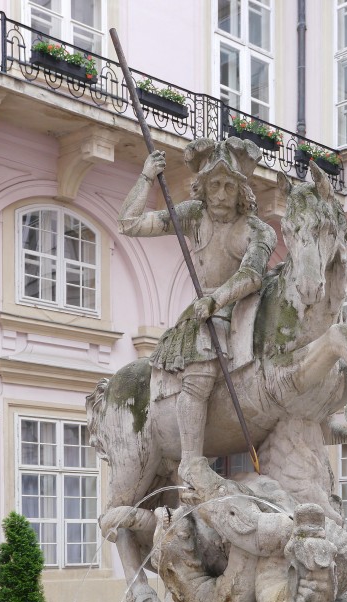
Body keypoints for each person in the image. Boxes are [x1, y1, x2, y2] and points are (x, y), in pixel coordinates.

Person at [118, 137, 277, 485]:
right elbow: (129, 223)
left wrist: (216, 300)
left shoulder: (258, 230)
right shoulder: (193, 216)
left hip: (246, 307)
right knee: (201, 366)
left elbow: (252, 275)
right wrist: (146, 177)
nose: (221, 194)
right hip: (209, 317)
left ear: (241, 191)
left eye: (229, 186)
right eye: (214, 185)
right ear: (203, 188)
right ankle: (191, 461)